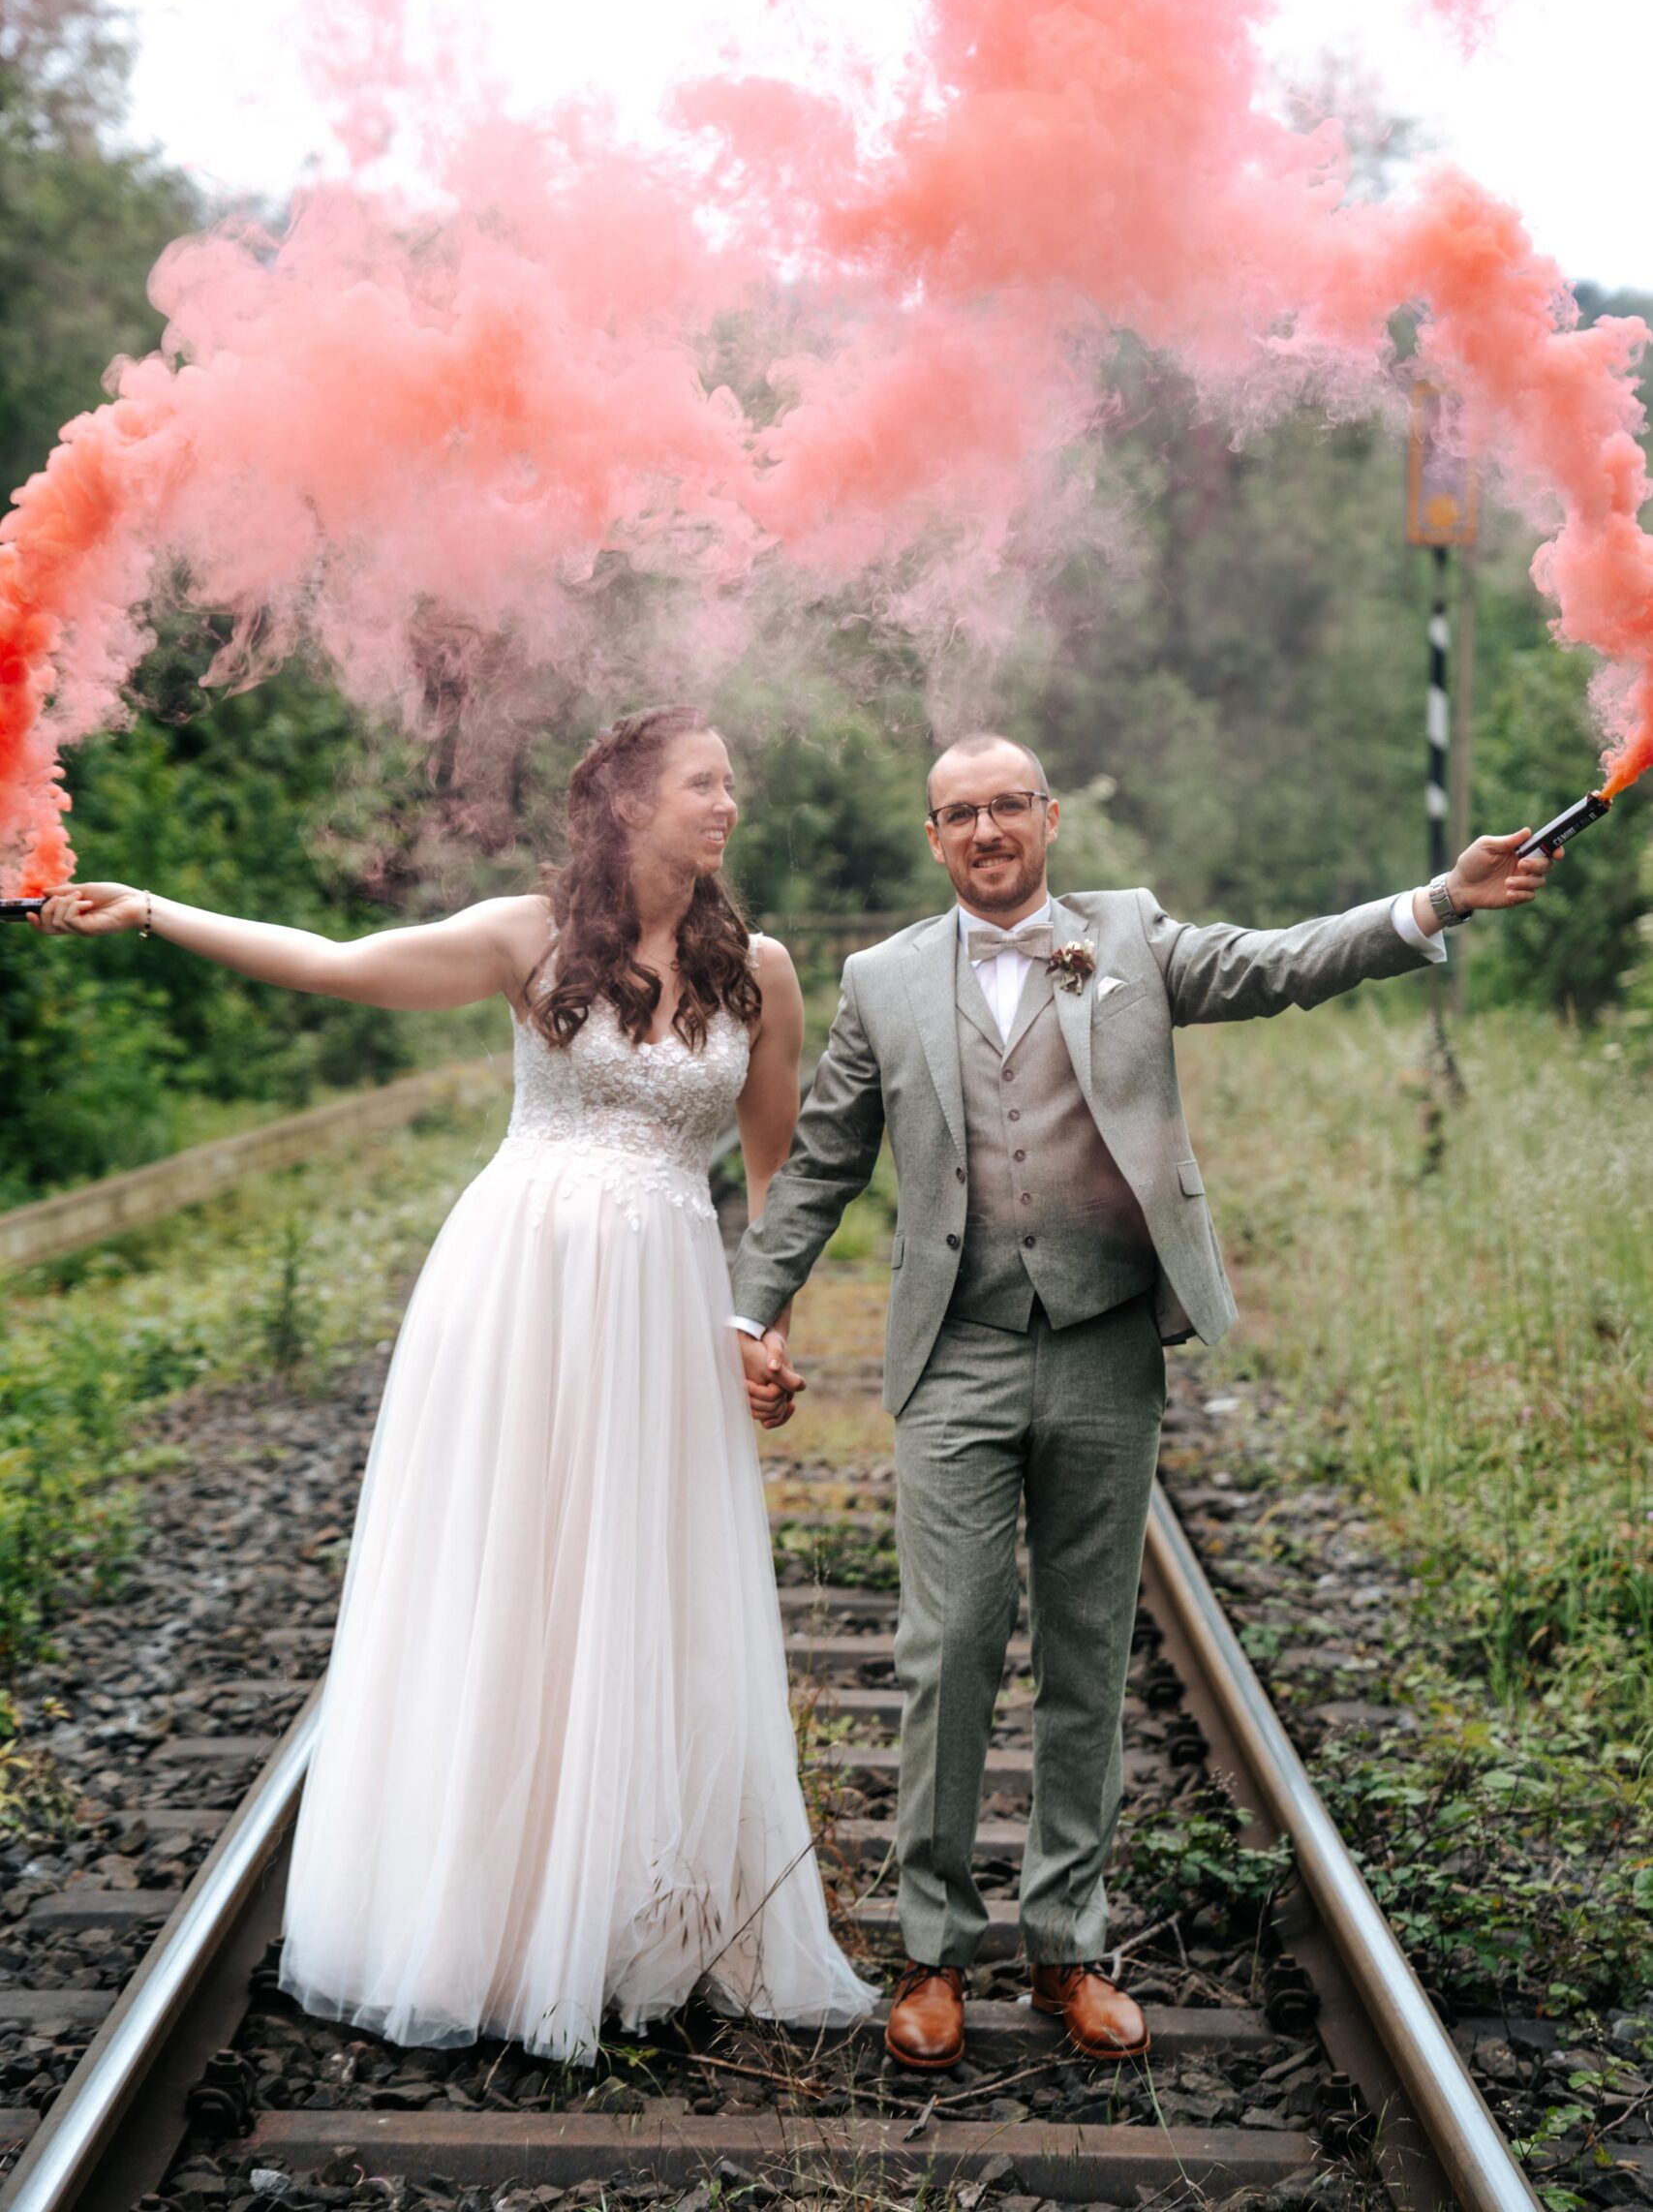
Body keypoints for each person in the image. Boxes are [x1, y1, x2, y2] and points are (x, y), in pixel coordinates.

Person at [29, 704, 875, 2061]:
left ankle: (636, 1913)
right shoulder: (528, 935)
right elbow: (335, 963)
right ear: (628, 804)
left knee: (642, 1576)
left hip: (664, 1296)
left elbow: (777, 1177)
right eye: (702, 783)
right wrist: (154, 912)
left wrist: (760, 1325)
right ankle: (489, 1923)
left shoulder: (760, 970)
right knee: (512, 1569)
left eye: (732, 784)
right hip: (518, 1287)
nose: (729, 804)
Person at [730, 731, 1557, 2074]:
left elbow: (1284, 964)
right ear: (934, 838)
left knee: (1087, 1652)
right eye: (961, 814)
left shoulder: (1130, 936)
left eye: (1009, 805)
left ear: (1050, 818)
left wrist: (1437, 901)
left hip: (1108, 1343)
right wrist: (750, 1309)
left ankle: (1067, 1945)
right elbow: (823, 1159)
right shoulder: (881, 980)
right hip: (956, 1351)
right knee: (948, 1645)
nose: (988, 831)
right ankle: (934, 1952)